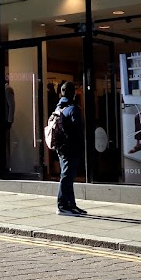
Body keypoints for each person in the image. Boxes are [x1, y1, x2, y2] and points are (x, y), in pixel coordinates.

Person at [53, 81, 87, 216]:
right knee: (67, 176)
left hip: (61, 148)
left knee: (67, 176)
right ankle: (62, 206)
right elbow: (77, 130)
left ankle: (71, 205)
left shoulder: (58, 108)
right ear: (73, 93)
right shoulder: (73, 109)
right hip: (71, 148)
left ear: (62, 93)